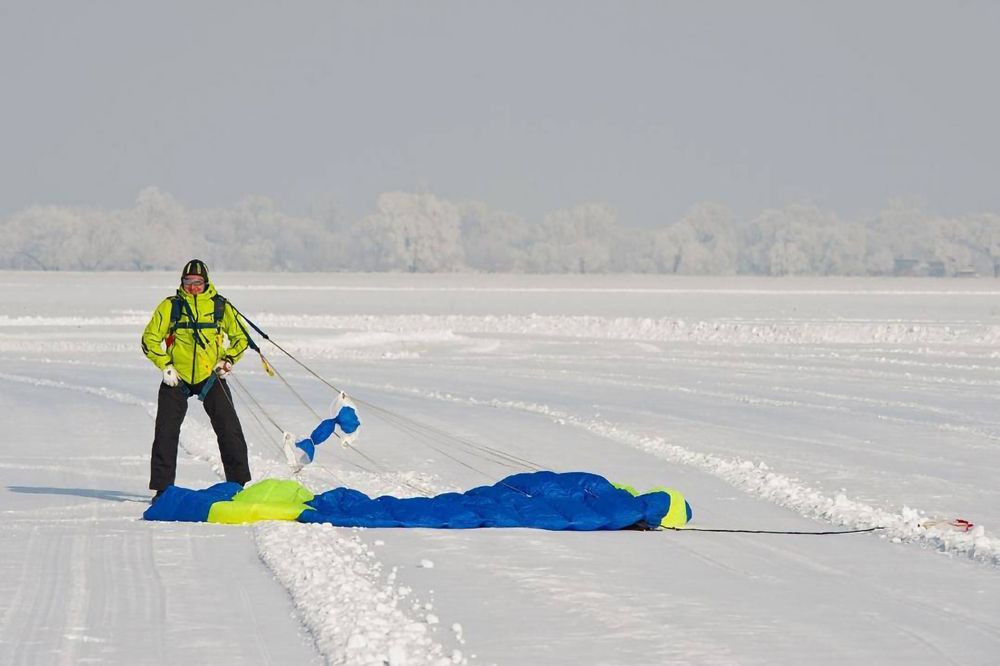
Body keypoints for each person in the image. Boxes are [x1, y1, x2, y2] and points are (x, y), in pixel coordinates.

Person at [141, 259, 252, 502]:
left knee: (229, 428)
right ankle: (163, 489)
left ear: (206, 283)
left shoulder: (220, 306)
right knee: (166, 431)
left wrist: (228, 360)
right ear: (182, 283)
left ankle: (237, 485)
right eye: (188, 282)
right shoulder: (170, 306)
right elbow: (149, 339)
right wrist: (165, 366)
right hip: (177, 377)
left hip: (211, 376)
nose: (192, 287)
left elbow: (241, 339)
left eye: (198, 283)